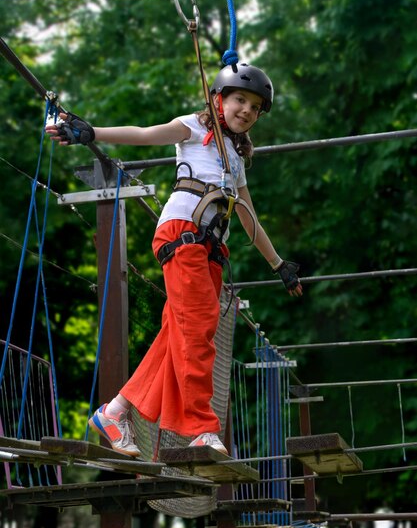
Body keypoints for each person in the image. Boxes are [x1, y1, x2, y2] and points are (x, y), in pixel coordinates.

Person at [46, 62, 302, 459]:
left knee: (176, 338)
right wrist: (92, 132)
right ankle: (201, 427)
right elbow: (145, 135)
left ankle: (115, 412)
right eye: (240, 100)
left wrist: (279, 265)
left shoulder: (235, 161)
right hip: (183, 234)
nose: (247, 111)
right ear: (218, 99)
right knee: (199, 327)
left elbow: (250, 220)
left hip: (211, 250)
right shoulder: (193, 128)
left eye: (255, 107)